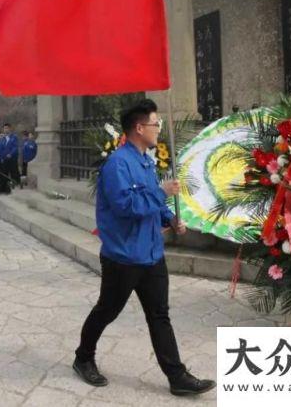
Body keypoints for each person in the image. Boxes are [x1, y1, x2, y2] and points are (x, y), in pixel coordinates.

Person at [72, 99, 216, 397]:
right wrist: (159, 191)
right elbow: (127, 206)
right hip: (124, 256)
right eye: (155, 123)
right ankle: (83, 357)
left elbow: (152, 205)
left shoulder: (146, 160)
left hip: (151, 253)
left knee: (159, 315)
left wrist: (170, 217)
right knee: (107, 310)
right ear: (139, 128)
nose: (159, 128)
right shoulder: (117, 165)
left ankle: (177, 377)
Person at [0, 123, 19, 194]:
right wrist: (1, 157)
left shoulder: (14, 137)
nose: (6, 130)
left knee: (13, 173)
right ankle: (5, 188)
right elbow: (1, 149)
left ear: (10, 129)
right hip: (5, 159)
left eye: (7, 128)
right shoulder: (3, 139)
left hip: (12, 159)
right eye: (4, 128)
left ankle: (15, 187)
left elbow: (15, 147)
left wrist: (10, 154)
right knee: (4, 173)